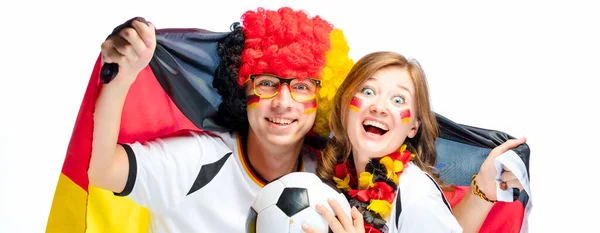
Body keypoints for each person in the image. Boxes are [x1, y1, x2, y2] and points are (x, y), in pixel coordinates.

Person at [86, 7, 354, 233]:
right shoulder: (196, 162)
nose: (283, 103)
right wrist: (121, 76)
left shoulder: (331, 178)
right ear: (243, 90)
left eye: (301, 87)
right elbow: (98, 169)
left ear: (323, 98)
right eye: (267, 83)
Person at [308, 51, 527, 233]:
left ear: (413, 126)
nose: (379, 107)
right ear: (344, 106)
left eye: (398, 100)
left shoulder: (417, 197)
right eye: (368, 91)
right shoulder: (339, 178)